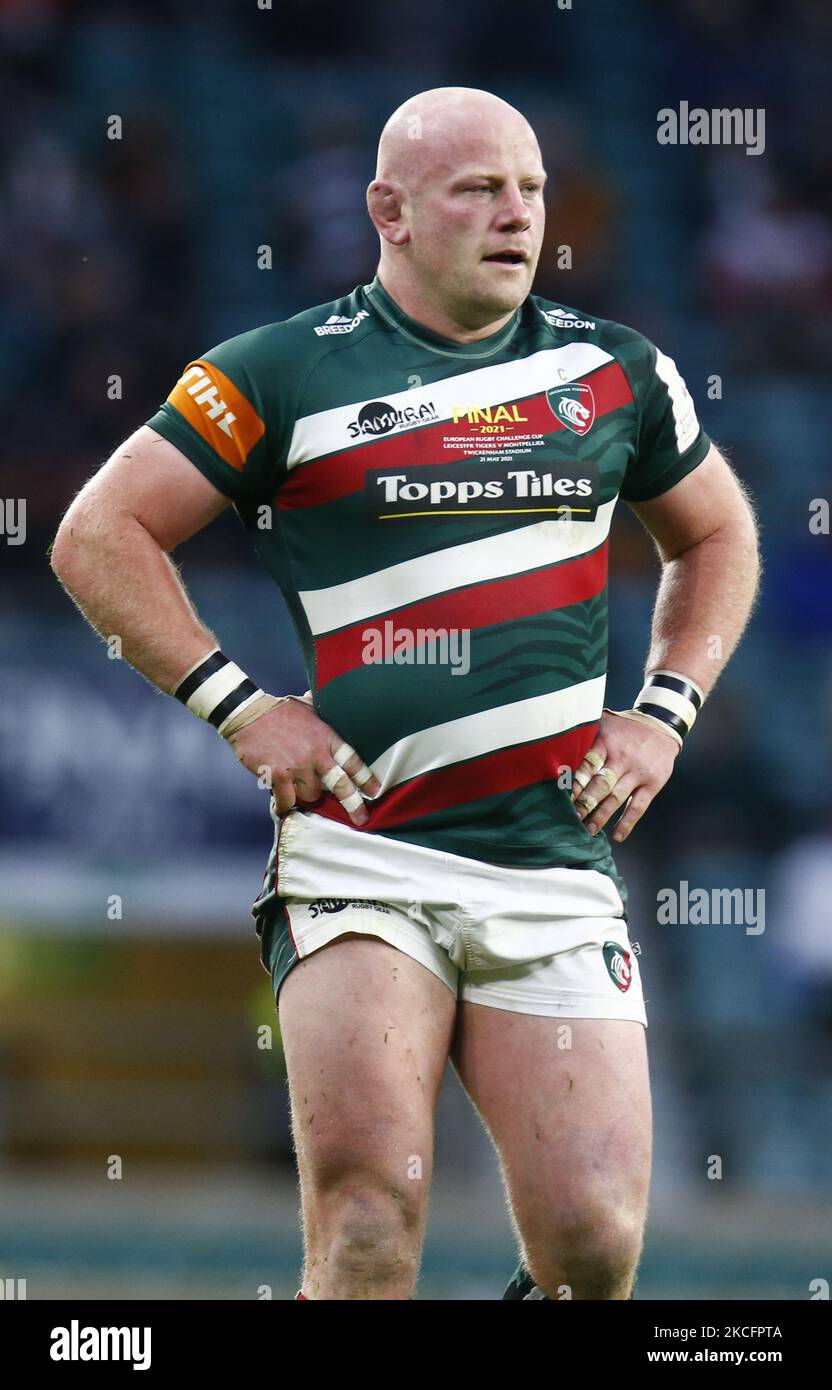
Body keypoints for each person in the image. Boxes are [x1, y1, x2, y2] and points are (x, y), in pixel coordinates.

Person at [51, 86, 760, 1300]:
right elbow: (96, 533)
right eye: (478, 189)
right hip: (364, 851)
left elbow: (719, 533)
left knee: (594, 1245)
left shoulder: (615, 369)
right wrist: (241, 706)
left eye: (530, 190)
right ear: (388, 210)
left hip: (552, 861)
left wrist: (662, 712)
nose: (516, 214)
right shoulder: (277, 369)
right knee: (371, 1218)